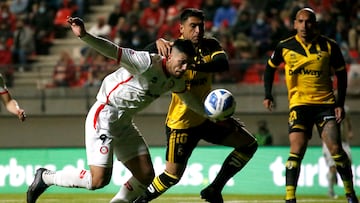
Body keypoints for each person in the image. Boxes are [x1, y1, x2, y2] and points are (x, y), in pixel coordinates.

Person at [26, 16, 206, 203]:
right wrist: (85, 36)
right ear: (169, 56)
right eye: (182, 62)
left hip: (124, 122)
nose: (184, 68)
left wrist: (209, 114)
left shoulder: (176, 80)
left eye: (188, 64)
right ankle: (46, 177)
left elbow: (189, 99)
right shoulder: (145, 62)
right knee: (98, 180)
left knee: (145, 175)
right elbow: (113, 50)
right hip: (104, 114)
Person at [133, 8, 258, 203]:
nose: (198, 31)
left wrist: (191, 65)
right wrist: (153, 44)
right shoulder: (172, 50)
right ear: (181, 28)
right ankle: (139, 201)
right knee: (172, 176)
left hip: (208, 118)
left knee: (249, 145)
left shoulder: (210, 45)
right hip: (181, 123)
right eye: (193, 26)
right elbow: (140, 57)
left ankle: (214, 189)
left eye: (201, 26)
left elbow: (222, 64)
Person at [263, 8, 358, 203]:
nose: (304, 26)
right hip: (299, 106)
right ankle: (290, 198)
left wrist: (340, 103)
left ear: (315, 24)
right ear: (295, 24)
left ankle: (350, 194)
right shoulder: (285, 46)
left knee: (336, 150)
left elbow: (341, 74)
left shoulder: (330, 46)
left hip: (325, 105)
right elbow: (269, 68)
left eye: (308, 22)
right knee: (296, 149)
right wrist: (268, 94)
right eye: (301, 21)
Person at [322, 105, 354, 199]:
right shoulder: (325, 108)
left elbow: (348, 121)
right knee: (332, 166)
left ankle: (349, 190)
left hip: (343, 142)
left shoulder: (345, 108)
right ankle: (330, 191)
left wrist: (350, 131)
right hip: (329, 142)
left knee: (347, 164)